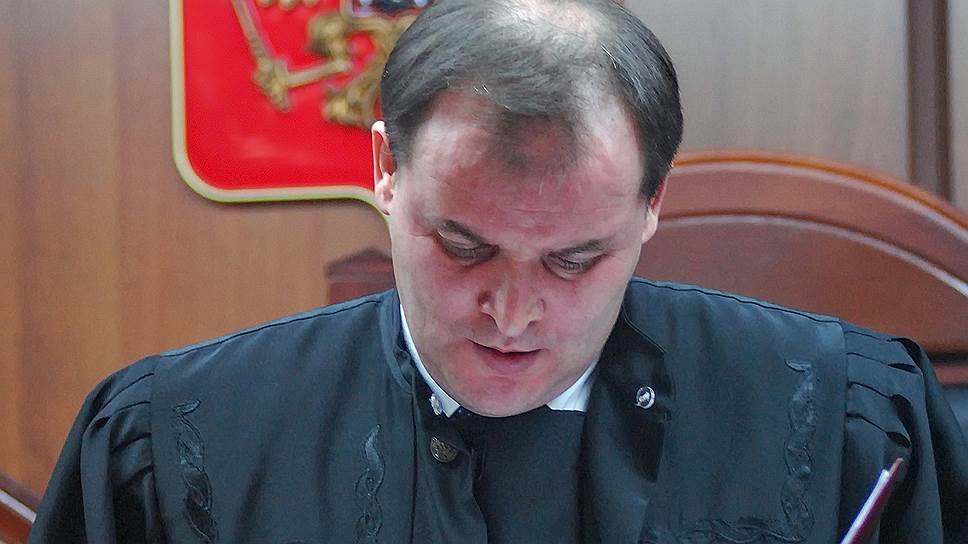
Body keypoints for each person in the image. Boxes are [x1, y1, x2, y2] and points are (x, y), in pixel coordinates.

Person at [30, 0, 968, 542]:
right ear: (385, 169)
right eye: (465, 246)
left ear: (653, 202)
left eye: (574, 259)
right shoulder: (174, 441)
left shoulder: (847, 420)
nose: (513, 313)